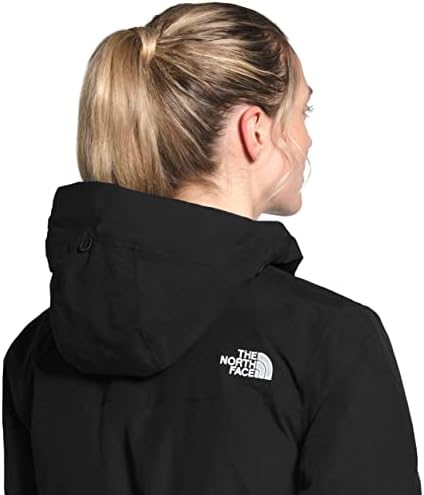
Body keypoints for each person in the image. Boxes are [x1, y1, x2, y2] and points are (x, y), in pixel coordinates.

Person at [2, 2, 421, 494]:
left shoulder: (37, 351)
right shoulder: (331, 340)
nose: (307, 138)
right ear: (255, 129)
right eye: (302, 111)